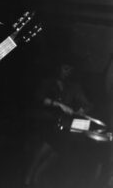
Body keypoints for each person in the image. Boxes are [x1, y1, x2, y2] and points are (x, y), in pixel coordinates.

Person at [25, 58, 94, 187]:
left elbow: (88, 104)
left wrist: (82, 109)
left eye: (71, 70)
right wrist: (58, 105)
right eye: (65, 69)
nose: (68, 72)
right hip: (46, 121)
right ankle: (29, 176)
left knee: (57, 150)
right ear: (59, 68)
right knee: (44, 147)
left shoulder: (74, 86)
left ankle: (37, 176)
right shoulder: (48, 82)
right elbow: (39, 99)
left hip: (63, 125)